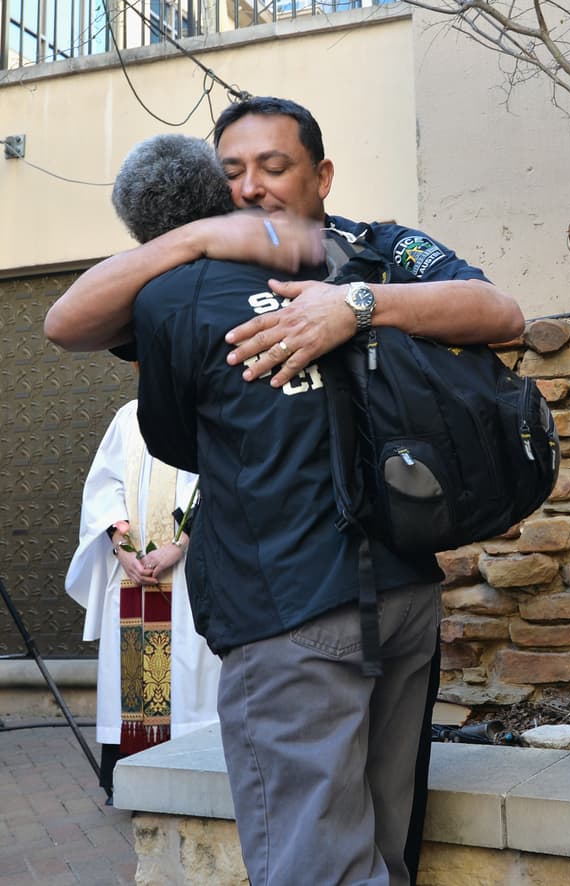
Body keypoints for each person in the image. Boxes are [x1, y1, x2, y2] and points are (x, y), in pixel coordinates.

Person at [64, 102, 523, 886]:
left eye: (273, 167)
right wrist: (195, 238)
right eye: (231, 172)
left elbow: (502, 314)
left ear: (321, 175)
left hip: (307, 610)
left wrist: (355, 307)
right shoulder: (195, 275)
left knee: (326, 864)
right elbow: (68, 319)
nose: (251, 187)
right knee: (373, 855)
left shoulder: (370, 252)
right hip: (366, 600)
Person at [65, 399, 218, 804]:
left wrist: (179, 545)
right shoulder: (128, 416)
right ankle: (130, 778)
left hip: (185, 575)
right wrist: (122, 548)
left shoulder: (200, 409)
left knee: (189, 675)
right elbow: (104, 486)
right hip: (132, 576)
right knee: (131, 682)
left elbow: (214, 485)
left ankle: (186, 777)